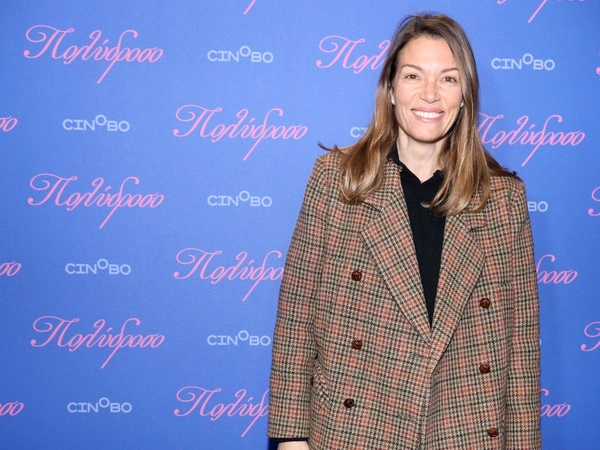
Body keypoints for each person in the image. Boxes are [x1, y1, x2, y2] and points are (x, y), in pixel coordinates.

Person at [268, 13, 541, 450]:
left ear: (465, 96)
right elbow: (296, 318)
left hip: (464, 431)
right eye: (414, 75)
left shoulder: (503, 200)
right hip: (356, 431)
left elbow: (521, 345)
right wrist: (291, 438)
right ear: (391, 89)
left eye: (448, 79)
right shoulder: (338, 180)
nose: (430, 93)